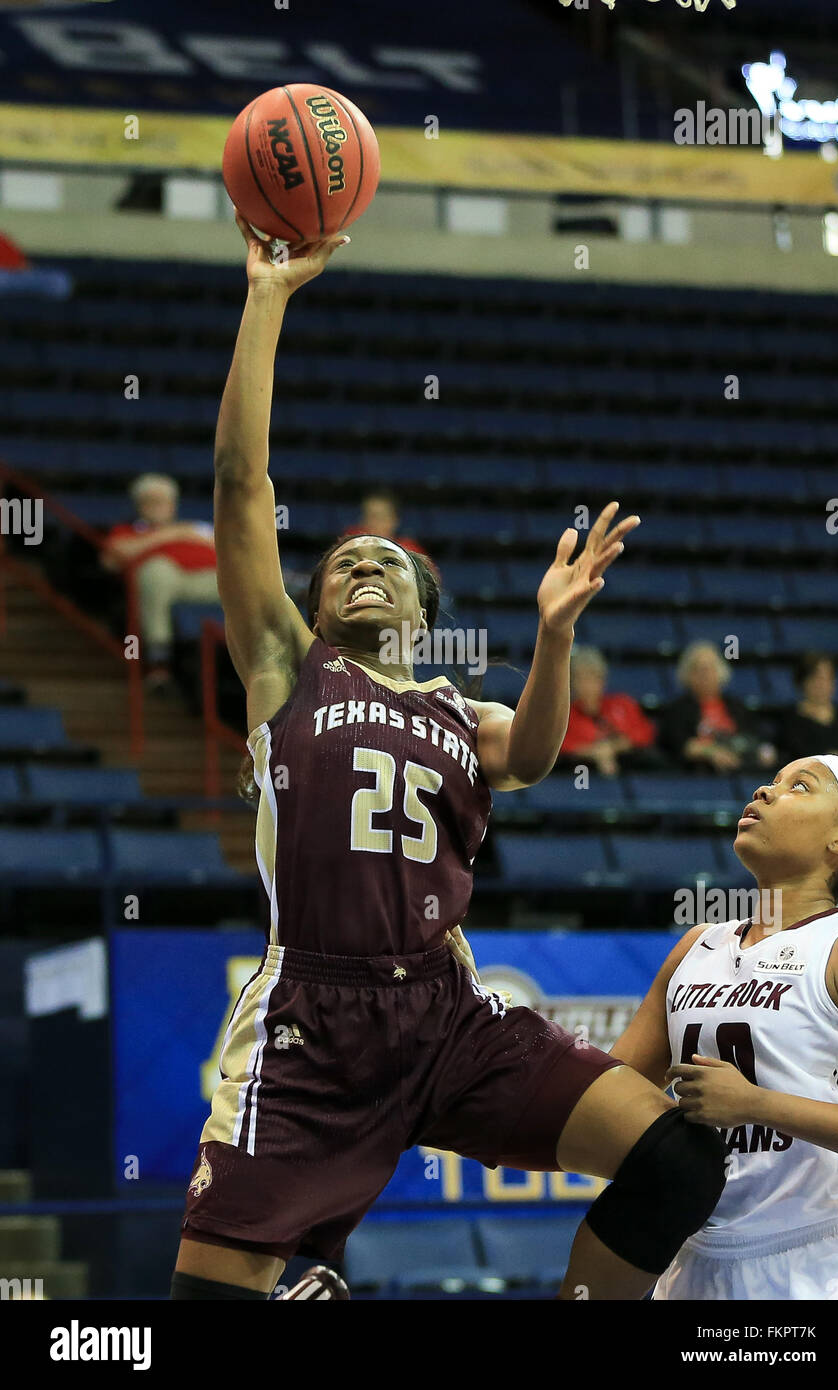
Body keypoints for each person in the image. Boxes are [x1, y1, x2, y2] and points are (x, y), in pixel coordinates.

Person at [169, 214, 727, 1303]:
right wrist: (268, 297)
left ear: (424, 610)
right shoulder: (287, 668)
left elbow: (528, 750)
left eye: (387, 565)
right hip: (309, 1021)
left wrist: (554, 634)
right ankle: (308, 1277)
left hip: (447, 1009)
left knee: (673, 1159)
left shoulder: (457, 709)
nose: (362, 572)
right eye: (342, 566)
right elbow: (240, 480)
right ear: (317, 605)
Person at [612, 753, 838, 1299]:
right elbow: (614, 1089)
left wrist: (757, 1105)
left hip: (820, 1262)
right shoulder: (698, 944)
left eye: (801, 786)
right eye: (771, 781)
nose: (765, 791)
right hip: (689, 1260)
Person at [101, 473, 219, 689]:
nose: (157, 507)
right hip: (165, 584)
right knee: (156, 570)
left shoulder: (198, 527)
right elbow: (111, 560)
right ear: (139, 505)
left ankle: (288, 586)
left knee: (245, 575)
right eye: (151, 501)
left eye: (163, 501)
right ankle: (159, 663)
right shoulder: (128, 531)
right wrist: (170, 535)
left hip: (211, 582)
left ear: (173, 504)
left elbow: (228, 551)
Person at [658, 640, 775, 773]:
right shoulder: (678, 709)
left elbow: (755, 738)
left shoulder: (737, 706)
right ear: (687, 675)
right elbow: (681, 745)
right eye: (698, 669)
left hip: (742, 766)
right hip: (700, 773)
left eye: (710, 668)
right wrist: (712, 752)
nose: (705, 675)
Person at [557, 645, 658, 776]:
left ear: (603, 681)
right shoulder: (565, 713)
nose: (588, 685)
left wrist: (613, 747)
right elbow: (560, 747)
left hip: (627, 764)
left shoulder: (623, 704)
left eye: (594, 678)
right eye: (581, 679)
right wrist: (594, 752)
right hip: (581, 770)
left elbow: (645, 733)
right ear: (572, 682)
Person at [777, 651, 838, 765]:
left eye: (828, 678)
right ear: (803, 681)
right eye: (817, 678)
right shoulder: (791, 721)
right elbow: (811, 759)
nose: (823, 684)